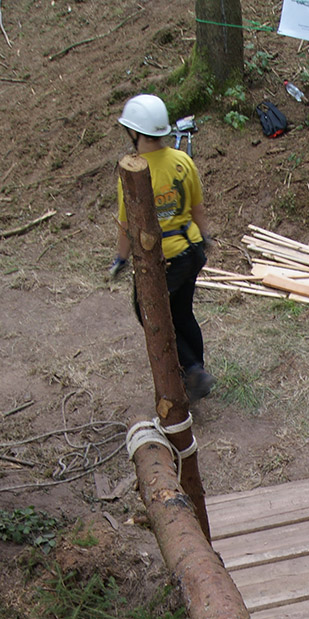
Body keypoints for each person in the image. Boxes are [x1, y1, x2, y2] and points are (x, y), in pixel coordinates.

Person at [110, 93, 215, 403]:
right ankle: (196, 368)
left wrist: (120, 258)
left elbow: (127, 225)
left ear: (135, 132)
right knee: (182, 312)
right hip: (192, 250)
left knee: (148, 312)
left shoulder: (133, 173)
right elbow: (197, 207)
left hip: (164, 261)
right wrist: (205, 237)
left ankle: (192, 371)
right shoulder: (183, 161)